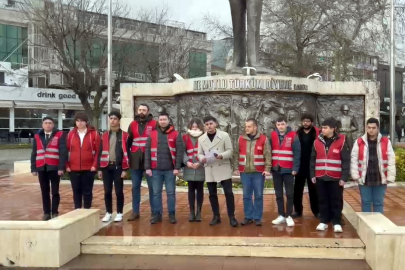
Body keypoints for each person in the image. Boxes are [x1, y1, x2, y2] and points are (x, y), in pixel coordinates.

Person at [198, 116, 239, 227]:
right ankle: (216, 216)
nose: (209, 126)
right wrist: (202, 158)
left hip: (222, 166)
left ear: (215, 124)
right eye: (206, 124)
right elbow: (199, 153)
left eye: (211, 123)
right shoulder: (201, 139)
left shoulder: (224, 135)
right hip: (209, 167)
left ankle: (232, 216)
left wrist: (221, 155)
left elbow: (230, 151)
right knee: (212, 194)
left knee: (229, 193)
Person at [310, 118, 350, 233]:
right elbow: (312, 159)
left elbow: (346, 160)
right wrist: (312, 174)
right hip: (320, 176)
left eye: (325, 127)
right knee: (322, 199)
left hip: (335, 177)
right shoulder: (317, 141)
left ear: (333, 129)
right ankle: (323, 221)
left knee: (336, 200)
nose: (323, 129)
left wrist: (344, 177)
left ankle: (336, 221)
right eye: (322, 127)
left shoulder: (341, 141)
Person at [144, 112, 184, 224]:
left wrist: (177, 167)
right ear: (158, 121)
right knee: (156, 193)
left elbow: (179, 152)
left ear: (168, 120)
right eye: (161, 119)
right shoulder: (152, 134)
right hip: (155, 169)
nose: (162, 121)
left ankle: (171, 214)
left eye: (164, 119)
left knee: (171, 193)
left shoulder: (176, 134)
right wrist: (147, 167)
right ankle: (157, 214)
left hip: (170, 170)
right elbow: (147, 151)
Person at [350, 118, 396, 213]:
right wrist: (355, 176)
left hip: (380, 177)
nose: (371, 130)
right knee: (366, 202)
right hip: (364, 178)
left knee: (378, 202)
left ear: (378, 128)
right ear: (366, 128)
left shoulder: (386, 141)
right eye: (369, 127)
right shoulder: (359, 142)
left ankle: (378, 226)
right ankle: (366, 225)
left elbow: (391, 159)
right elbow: (353, 159)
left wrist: (390, 176)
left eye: (373, 128)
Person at [234, 119, 271, 226]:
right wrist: (236, 167)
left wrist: (267, 169)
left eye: (249, 127)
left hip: (258, 172)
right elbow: (236, 154)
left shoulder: (264, 139)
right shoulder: (240, 139)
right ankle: (248, 216)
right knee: (246, 196)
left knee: (258, 195)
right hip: (245, 172)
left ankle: (257, 217)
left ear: (255, 127)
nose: (247, 129)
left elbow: (267, 155)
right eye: (246, 127)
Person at [31, 117, 67, 221]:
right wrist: (33, 168)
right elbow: (34, 153)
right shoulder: (37, 136)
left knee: (55, 191)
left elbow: (63, 152)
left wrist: (61, 168)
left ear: (53, 125)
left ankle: (55, 212)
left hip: (54, 168)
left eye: (50, 123)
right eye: (45, 123)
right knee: (44, 191)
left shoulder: (60, 135)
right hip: (41, 167)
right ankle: (46, 212)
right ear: (42, 125)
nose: (48, 125)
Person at [127, 104, 157, 221]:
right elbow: (129, 141)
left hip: (149, 159)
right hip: (135, 159)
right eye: (139, 110)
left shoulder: (154, 124)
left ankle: (154, 212)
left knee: (152, 187)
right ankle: (135, 212)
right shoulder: (132, 124)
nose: (141, 112)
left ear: (148, 111)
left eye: (144, 110)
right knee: (135, 187)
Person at [270, 117, 301, 227]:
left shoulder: (293, 136)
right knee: (278, 194)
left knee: (289, 194)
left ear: (286, 124)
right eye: (278, 124)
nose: (280, 126)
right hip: (276, 169)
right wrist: (269, 167)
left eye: (282, 124)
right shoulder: (272, 135)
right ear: (276, 125)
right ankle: (281, 215)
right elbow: (269, 152)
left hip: (288, 169)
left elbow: (297, 153)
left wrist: (295, 168)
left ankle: (288, 215)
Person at [98, 112, 129, 222]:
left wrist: (125, 169)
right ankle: (108, 212)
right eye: (111, 118)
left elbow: (127, 153)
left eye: (115, 119)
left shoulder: (125, 135)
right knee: (107, 191)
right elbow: (100, 151)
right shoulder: (104, 135)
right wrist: (100, 169)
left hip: (118, 167)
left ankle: (120, 212)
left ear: (119, 121)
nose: (112, 121)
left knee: (119, 191)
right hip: (106, 167)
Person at [66, 112, 101, 209]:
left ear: (86, 122)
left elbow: (98, 151)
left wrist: (95, 165)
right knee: (76, 191)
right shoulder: (71, 134)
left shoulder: (94, 134)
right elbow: (66, 151)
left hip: (89, 168)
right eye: (77, 121)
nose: (80, 123)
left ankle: (87, 210)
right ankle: (77, 210)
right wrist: (67, 165)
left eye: (82, 121)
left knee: (87, 191)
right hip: (73, 168)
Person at [292, 113, 320, 219]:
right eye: (304, 121)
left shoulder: (316, 133)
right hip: (300, 165)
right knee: (297, 190)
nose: (305, 123)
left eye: (308, 121)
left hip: (312, 165)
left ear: (311, 122)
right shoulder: (297, 133)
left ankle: (316, 211)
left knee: (313, 190)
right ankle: (298, 210)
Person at [182, 118, 205, 222]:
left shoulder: (205, 137)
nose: (194, 128)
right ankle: (191, 212)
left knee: (200, 190)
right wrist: (187, 162)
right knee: (191, 190)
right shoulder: (185, 137)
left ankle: (199, 212)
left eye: (196, 126)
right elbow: (182, 151)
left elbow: (207, 151)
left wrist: (200, 163)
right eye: (193, 127)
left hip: (201, 167)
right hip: (189, 166)